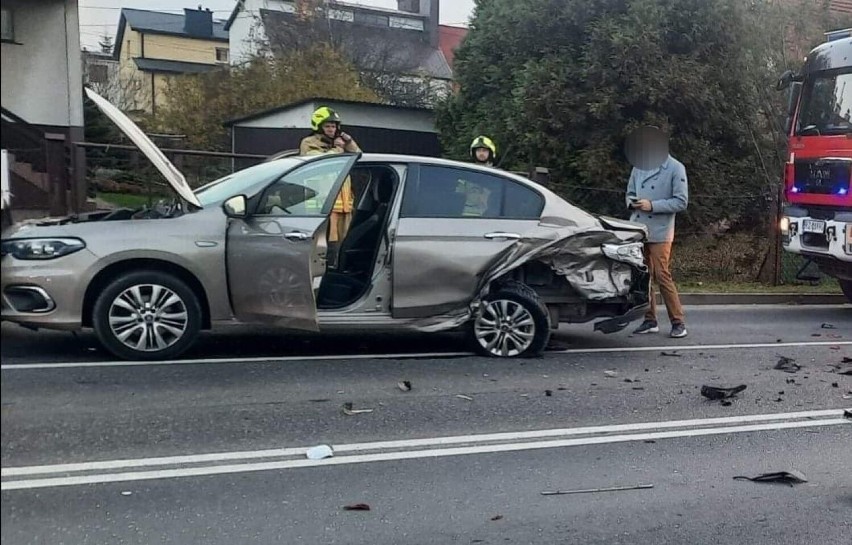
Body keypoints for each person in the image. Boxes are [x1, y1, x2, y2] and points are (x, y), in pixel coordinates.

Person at [624, 126, 689, 339]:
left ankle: (678, 321)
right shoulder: (639, 167)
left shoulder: (676, 168)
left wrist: (651, 205)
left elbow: (681, 201)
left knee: (662, 275)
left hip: (661, 229)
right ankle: (649, 319)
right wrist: (631, 203)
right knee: (643, 276)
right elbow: (630, 192)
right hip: (638, 228)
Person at [299, 106, 361, 267]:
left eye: (334, 126)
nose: (331, 129)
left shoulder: (339, 143)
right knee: (325, 247)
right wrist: (338, 148)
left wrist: (349, 142)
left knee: (343, 245)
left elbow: (358, 156)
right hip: (323, 204)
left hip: (344, 205)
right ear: (318, 127)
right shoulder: (309, 143)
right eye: (327, 126)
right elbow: (324, 162)